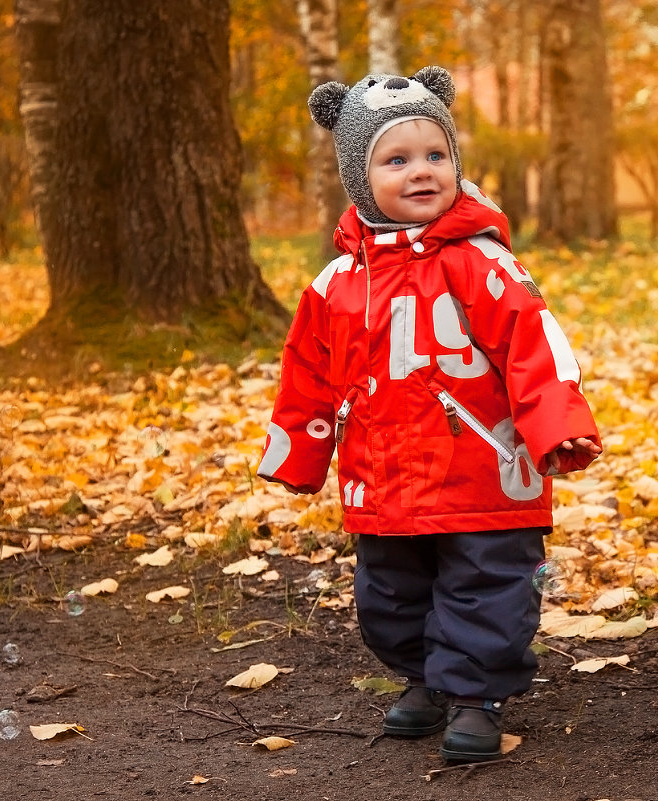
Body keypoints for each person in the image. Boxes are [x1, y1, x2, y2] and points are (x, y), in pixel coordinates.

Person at [257, 66, 602, 763]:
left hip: (484, 468)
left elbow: (537, 347)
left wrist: (558, 425)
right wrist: (299, 452)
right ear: (359, 176)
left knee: (485, 585)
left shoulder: (484, 263)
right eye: (397, 158)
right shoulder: (335, 283)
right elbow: (308, 374)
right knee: (388, 594)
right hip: (381, 478)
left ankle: (476, 693)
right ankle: (424, 675)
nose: (422, 171)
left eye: (436, 155)